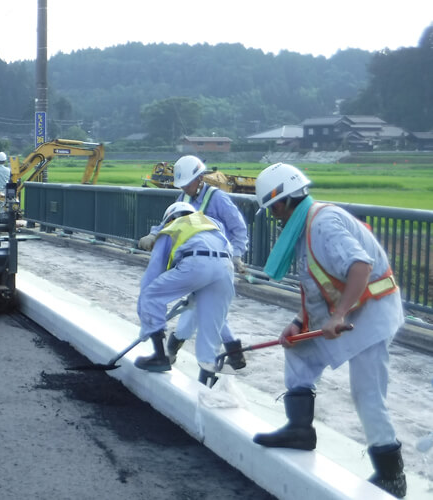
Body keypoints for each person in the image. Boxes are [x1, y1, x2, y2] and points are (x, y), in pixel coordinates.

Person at [251, 162, 406, 498]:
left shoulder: (322, 223)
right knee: (299, 351)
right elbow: (318, 286)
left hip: (372, 310)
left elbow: (360, 267)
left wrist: (338, 314)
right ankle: (299, 430)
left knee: (366, 392)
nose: (274, 216)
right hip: (351, 308)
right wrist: (297, 323)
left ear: (281, 203)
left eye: (272, 209)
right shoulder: (306, 226)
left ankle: (391, 473)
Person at [138, 155, 249, 374]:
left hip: (203, 262)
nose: (186, 188)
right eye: (182, 185)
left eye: (188, 183)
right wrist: (153, 233)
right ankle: (218, 364)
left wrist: (237, 254)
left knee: (166, 299)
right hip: (220, 263)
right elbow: (168, 222)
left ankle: (164, 353)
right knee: (208, 314)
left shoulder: (217, 198)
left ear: (200, 179)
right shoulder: (185, 200)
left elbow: (239, 228)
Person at [134, 201, 235, 386]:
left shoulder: (171, 228)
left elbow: (153, 273)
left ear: (170, 218)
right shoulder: (210, 223)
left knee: (151, 295)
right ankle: (207, 381)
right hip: (226, 267)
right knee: (210, 325)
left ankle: (159, 356)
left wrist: (146, 323)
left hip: (197, 264)